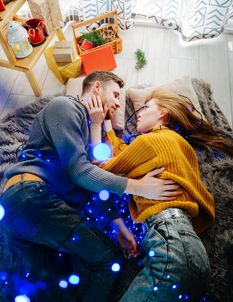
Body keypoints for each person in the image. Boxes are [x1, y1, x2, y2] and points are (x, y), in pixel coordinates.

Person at [0, 71, 181, 302]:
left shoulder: (84, 133)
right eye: (115, 94)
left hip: (28, 213)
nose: (117, 103)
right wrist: (139, 187)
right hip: (31, 195)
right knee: (108, 259)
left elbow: (91, 183)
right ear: (96, 88)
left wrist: (119, 228)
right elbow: (81, 173)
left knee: (41, 290)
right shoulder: (65, 106)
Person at [86, 87, 233, 302]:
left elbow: (97, 174)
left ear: (163, 113)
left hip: (171, 248)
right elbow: (122, 154)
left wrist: (97, 123)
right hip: (186, 249)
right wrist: (108, 123)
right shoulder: (177, 145)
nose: (139, 113)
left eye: (145, 107)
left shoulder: (150, 142)